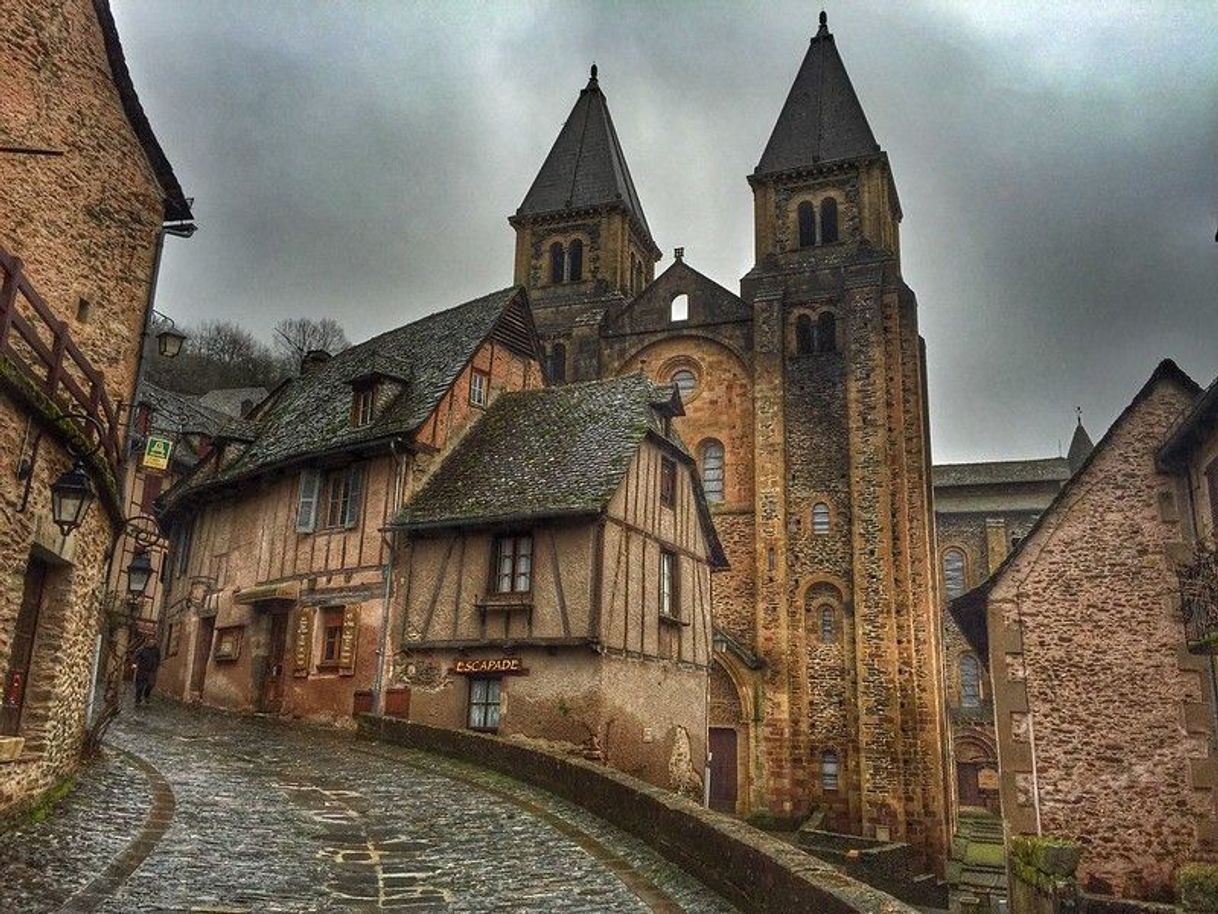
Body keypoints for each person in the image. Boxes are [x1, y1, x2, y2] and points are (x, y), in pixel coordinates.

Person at [132, 640, 161, 706]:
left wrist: (157, 665)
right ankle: (138, 699)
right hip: (142, 670)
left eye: (153, 643)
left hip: (151, 671)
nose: (152, 644)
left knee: (151, 684)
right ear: (147, 644)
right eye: (151, 643)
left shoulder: (156, 650)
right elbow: (135, 656)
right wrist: (134, 664)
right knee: (140, 686)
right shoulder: (141, 649)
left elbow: (158, 658)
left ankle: (146, 695)